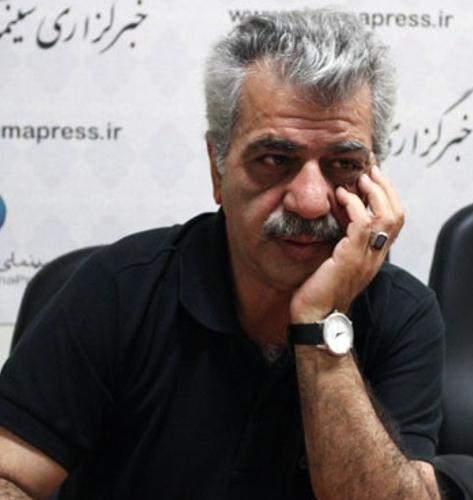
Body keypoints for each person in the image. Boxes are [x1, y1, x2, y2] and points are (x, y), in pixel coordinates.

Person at [0, 9, 444, 499]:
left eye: (343, 164)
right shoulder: (118, 289)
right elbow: (9, 475)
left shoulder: (403, 312)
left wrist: (320, 323)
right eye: (275, 159)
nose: (311, 201)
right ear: (217, 169)